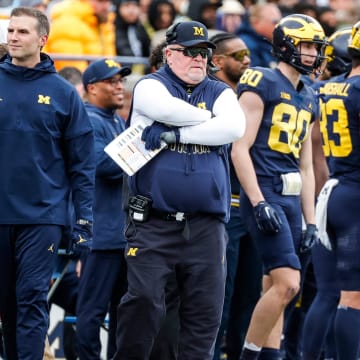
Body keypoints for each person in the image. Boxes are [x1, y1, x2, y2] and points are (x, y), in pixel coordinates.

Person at [113, 20, 246, 360]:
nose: (199, 59)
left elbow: (234, 126)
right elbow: (164, 109)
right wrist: (209, 122)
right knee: (143, 300)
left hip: (206, 225)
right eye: (190, 52)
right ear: (170, 54)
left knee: (204, 312)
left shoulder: (221, 91)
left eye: (204, 53)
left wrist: (176, 135)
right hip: (154, 222)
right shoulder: (150, 85)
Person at [0, 6, 95, 360]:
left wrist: (84, 221)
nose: (13, 37)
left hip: (42, 219)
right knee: (7, 307)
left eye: (22, 32)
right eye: (10, 31)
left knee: (31, 300)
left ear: (42, 39)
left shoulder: (63, 93)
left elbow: (82, 167)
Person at [231, 14, 327, 360]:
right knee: (289, 284)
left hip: (290, 195)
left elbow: (304, 164)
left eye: (317, 47)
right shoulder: (262, 81)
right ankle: (249, 353)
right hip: (266, 191)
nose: (314, 54)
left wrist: (311, 219)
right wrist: (256, 202)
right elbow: (239, 148)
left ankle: (270, 355)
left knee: (275, 286)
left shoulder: (310, 95)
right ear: (286, 45)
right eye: (307, 46)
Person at [303, 21, 360, 360]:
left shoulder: (331, 87)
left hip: (332, 193)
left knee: (328, 293)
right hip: (355, 198)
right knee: (353, 298)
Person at [209, 31, 262, 360]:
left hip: (250, 207)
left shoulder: (253, 95)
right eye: (238, 55)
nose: (247, 60)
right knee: (220, 301)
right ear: (217, 62)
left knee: (249, 298)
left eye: (247, 54)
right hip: (222, 210)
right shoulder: (210, 95)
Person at [75, 58, 131, 360]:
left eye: (121, 80)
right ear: (91, 88)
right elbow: (104, 166)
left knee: (124, 317)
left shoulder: (115, 120)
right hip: (99, 235)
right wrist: (141, 145)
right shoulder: (86, 119)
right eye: (111, 81)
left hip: (121, 234)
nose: (119, 86)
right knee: (91, 313)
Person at [44, 0, 115, 71]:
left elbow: (110, 62)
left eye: (108, 1)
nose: (107, 6)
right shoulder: (68, 23)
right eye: (101, 1)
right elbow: (74, 73)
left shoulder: (101, 23)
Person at [236, 2, 282, 68]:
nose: (280, 26)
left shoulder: (271, 42)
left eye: (281, 22)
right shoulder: (244, 44)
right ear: (256, 22)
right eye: (275, 22)